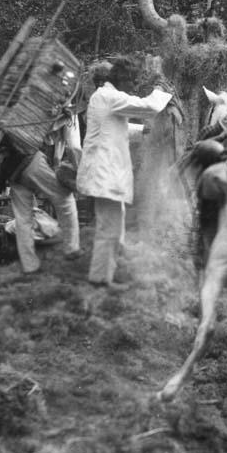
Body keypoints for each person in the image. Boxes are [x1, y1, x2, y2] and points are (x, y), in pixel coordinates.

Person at [77, 56, 172, 288]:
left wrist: (143, 131)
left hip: (104, 174)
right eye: (132, 82)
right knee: (109, 230)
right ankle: (100, 279)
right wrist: (160, 88)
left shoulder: (104, 97)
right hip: (104, 175)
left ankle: (107, 273)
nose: (134, 87)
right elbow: (148, 106)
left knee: (113, 228)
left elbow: (115, 127)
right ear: (121, 78)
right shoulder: (111, 97)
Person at [0, 111, 82, 279]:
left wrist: (2, 173)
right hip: (30, 160)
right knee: (65, 199)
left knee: (23, 219)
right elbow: (74, 147)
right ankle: (72, 248)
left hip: (11, 171)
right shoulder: (67, 111)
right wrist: (79, 172)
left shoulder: (16, 111)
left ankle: (29, 265)